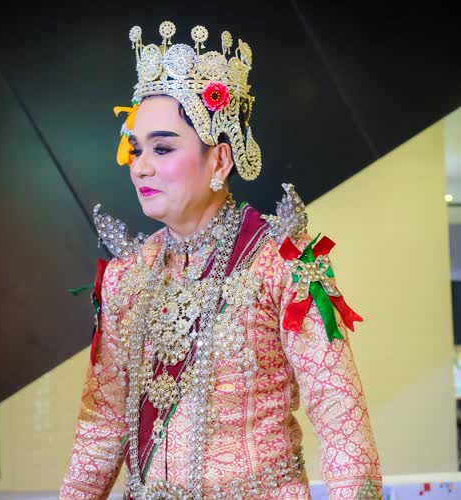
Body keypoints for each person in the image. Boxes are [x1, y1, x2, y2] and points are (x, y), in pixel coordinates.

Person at [59, 20, 382, 500]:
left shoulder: (282, 262)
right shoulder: (127, 277)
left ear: (221, 160)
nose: (140, 166)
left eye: (162, 148)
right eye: (136, 149)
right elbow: (102, 425)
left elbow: (340, 416)